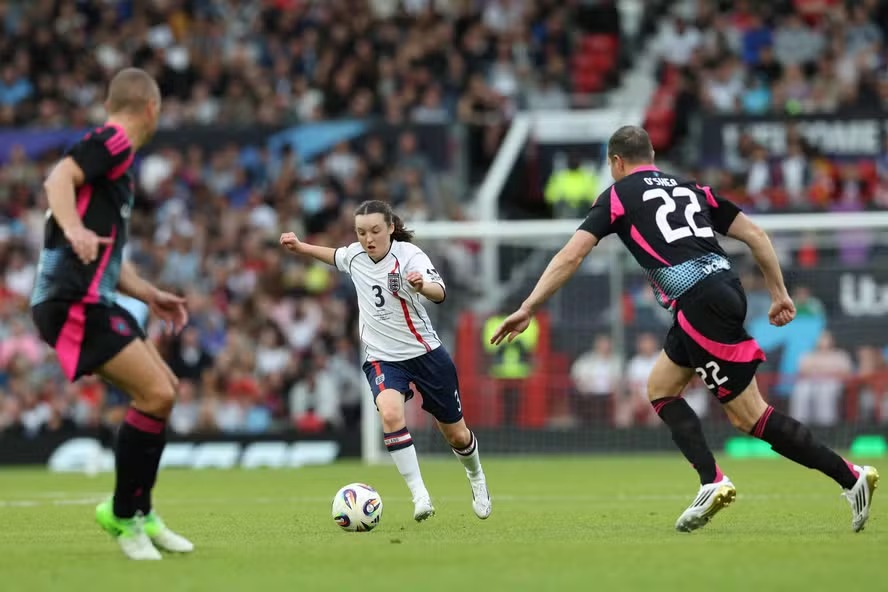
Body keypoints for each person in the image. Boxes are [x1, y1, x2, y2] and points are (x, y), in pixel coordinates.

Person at [491, 125, 879, 533]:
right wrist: (779, 293)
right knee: (660, 387)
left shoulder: (619, 195)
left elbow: (572, 256)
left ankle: (843, 477)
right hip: (723, 290)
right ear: (653, 154)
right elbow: (757, 235)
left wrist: (528, 305)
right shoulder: (693, 189)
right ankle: (717, 479)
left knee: (750, 417)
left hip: (698, 302)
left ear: (616, 163)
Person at [30, 68, 193, 560]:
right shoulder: (117, 140)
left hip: (92, 298)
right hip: (72, 301)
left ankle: (139, 511)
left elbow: (108, 260)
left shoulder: (117, 169)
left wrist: (149, 294)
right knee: (157, 391)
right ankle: (124, 515)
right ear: (151, 107)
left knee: (163, 392)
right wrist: (73, 226)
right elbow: (57, 177)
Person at [281, 199, 492, 522]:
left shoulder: (409, 256)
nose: (369, 238)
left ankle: (476, 477)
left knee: (457, 436)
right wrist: (300, 247)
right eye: (361, 232)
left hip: (426, 355)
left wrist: (423, 286)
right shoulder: (354, 256)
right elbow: (334, 255)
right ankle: (420, 496)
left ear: (391, 228)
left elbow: (440, 291)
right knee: (391, 415)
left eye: (375, 230)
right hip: (383, 359)